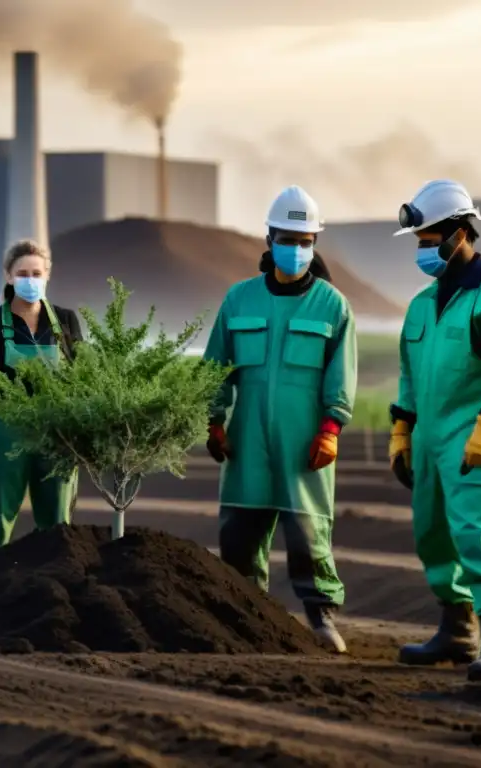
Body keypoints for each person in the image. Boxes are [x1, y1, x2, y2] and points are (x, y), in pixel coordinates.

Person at [388, 179, 481, 681]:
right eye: (419, 242)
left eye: (429, 241)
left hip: (477, 439)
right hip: (431, 441)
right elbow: (410, 375)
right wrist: (401, 433)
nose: (423, 251)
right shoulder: (421, 305)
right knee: (432, 535)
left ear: (458, 234)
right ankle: (457, 629)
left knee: (478, 533)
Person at [202, 185, 358, 653]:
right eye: (287, 239)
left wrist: (331, 429)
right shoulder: (239, 300)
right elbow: (216, 366)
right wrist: (214, 420)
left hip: (302, 442)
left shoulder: (332, 306)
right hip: (246, 440)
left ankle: (321, 618)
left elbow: (340, 376)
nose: (295, 249)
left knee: (309, 534)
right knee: (239, 536)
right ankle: (248, 619)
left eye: (305, 240)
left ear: (315, 243)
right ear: (268, 239)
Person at [0, 239, 84, 559]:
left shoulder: (66, 321)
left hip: (55, 431)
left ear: (48, 275)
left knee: (57, 522)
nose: (30, 280)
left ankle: (57, 584)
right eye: (23, 273)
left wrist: (74, 421)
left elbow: (83, 377)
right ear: (8, 276)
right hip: (6, 431)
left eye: (36, 273)